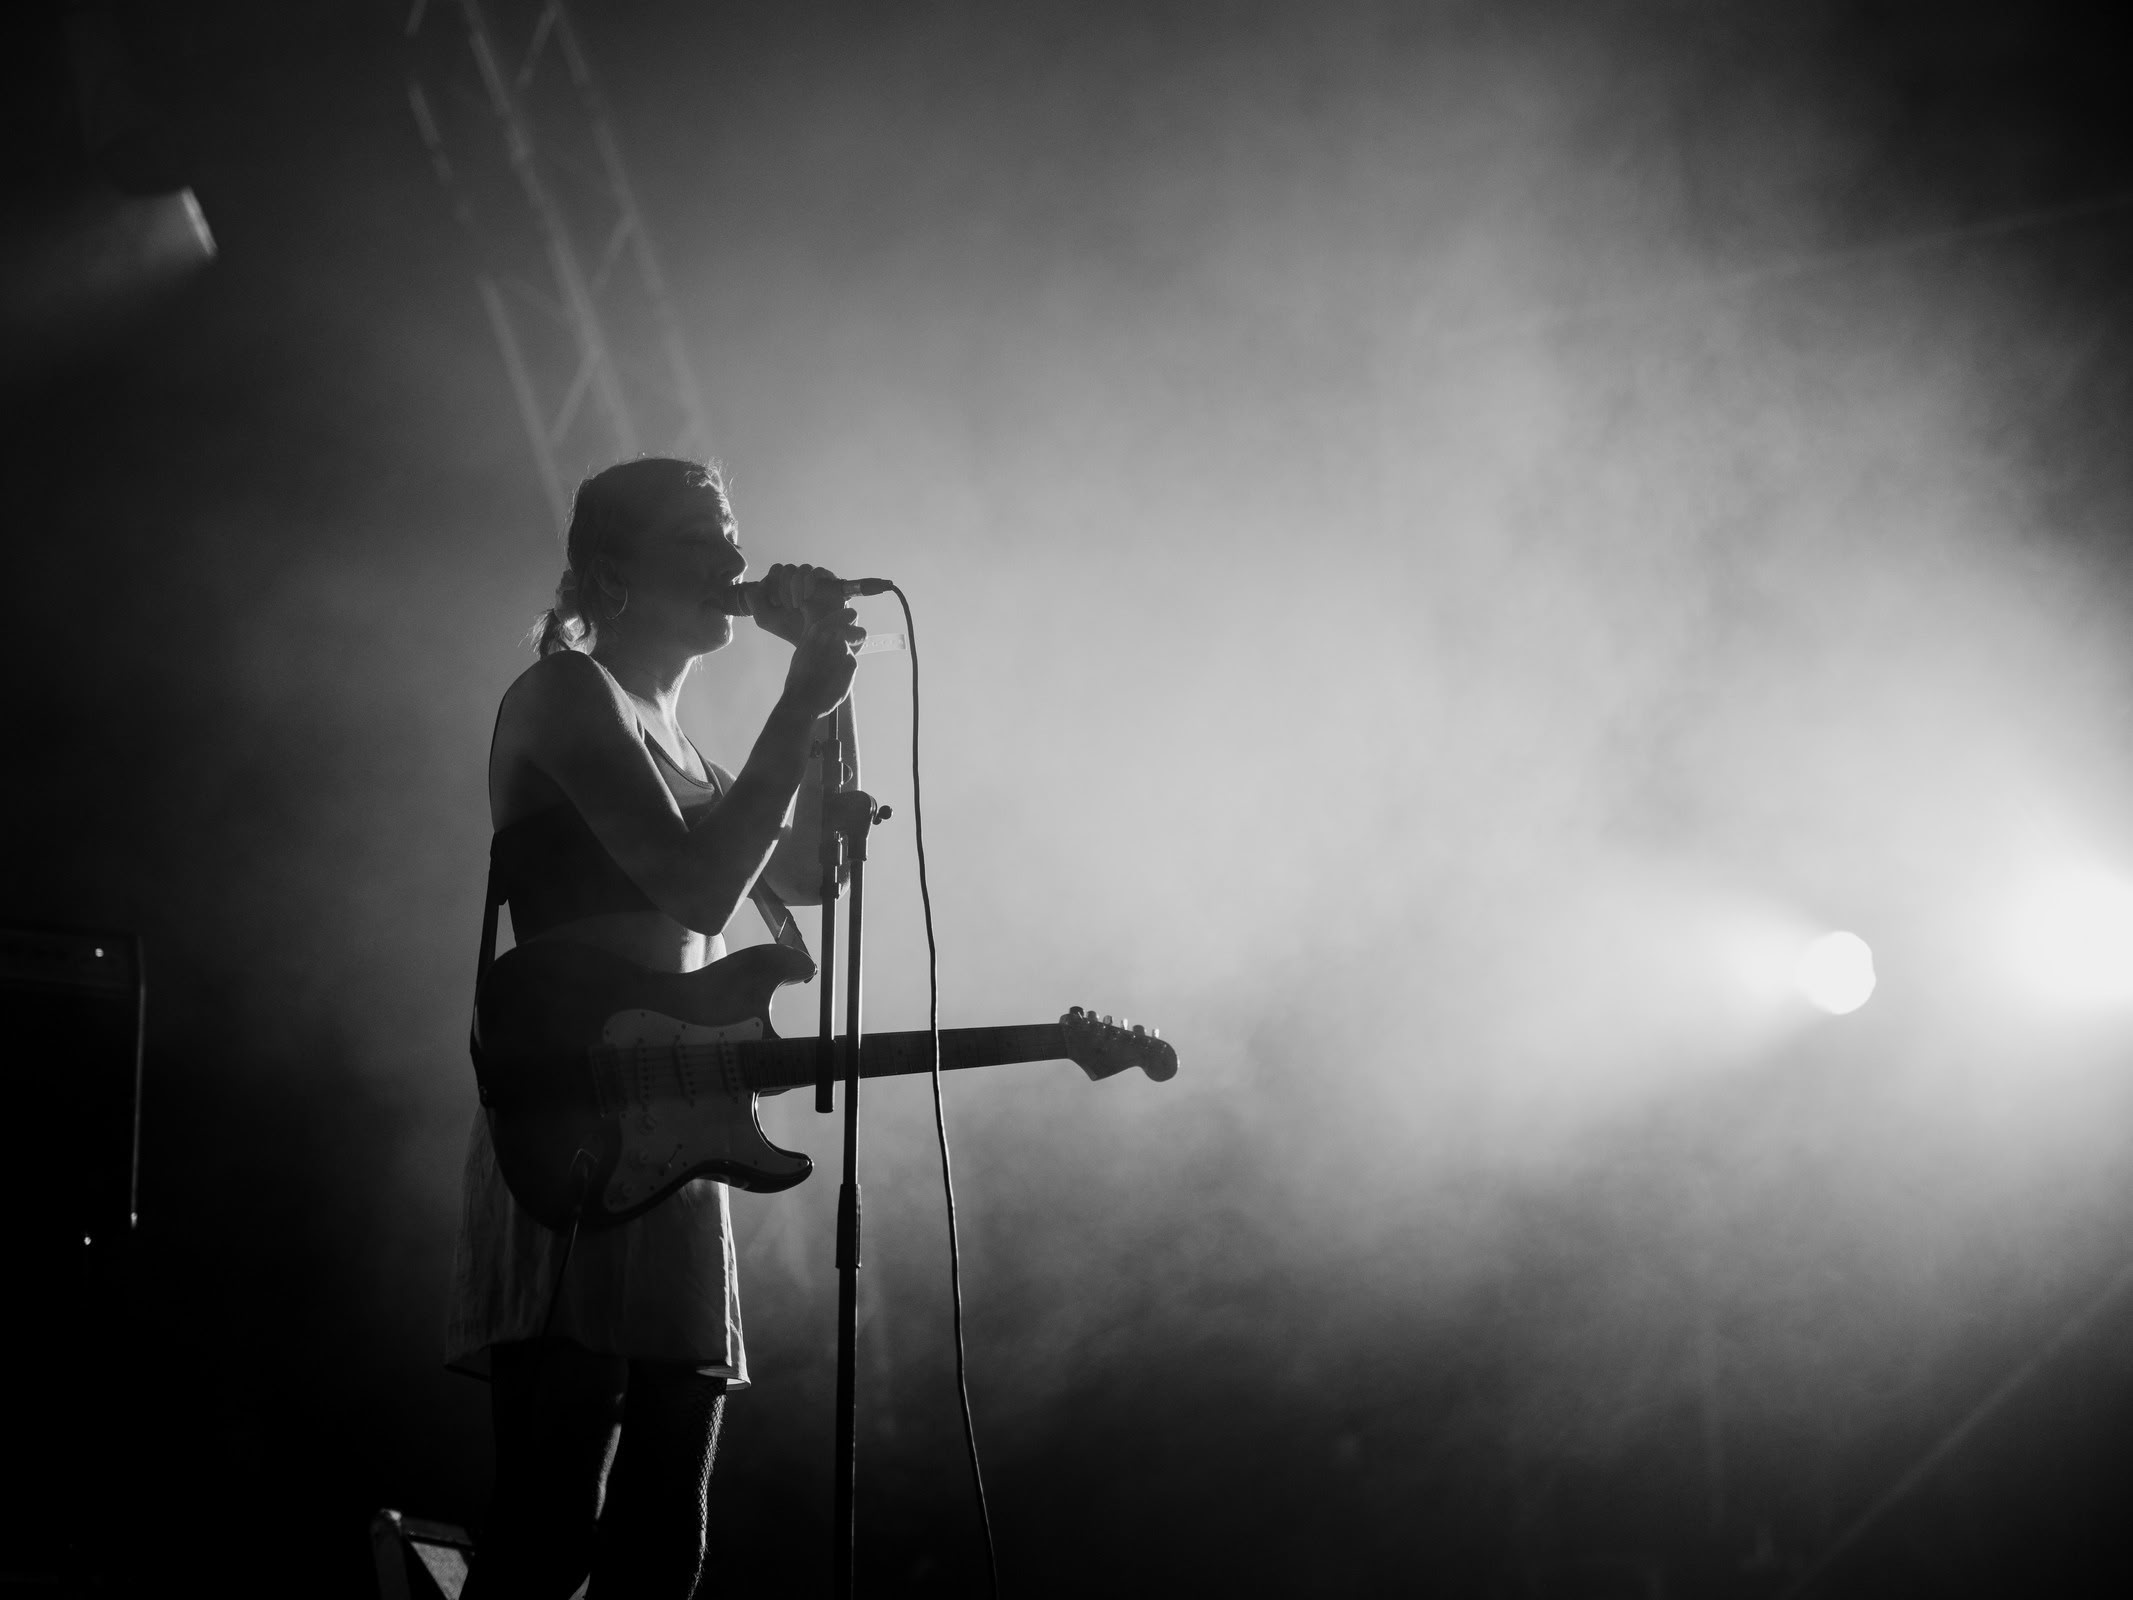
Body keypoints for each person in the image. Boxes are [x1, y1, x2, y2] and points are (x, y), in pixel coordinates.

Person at [448, 456, 862, 1598]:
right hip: (572, 1116)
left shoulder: (691, 750)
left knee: (670, 1493)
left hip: (684, 1120)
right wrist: (798, 703)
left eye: (732, 534)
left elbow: (810, 872)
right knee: (551, 1510)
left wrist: (821, 701)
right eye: (701, 538)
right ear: (614, 570)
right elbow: (697, 889)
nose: (733, 561)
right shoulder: (566, 693)